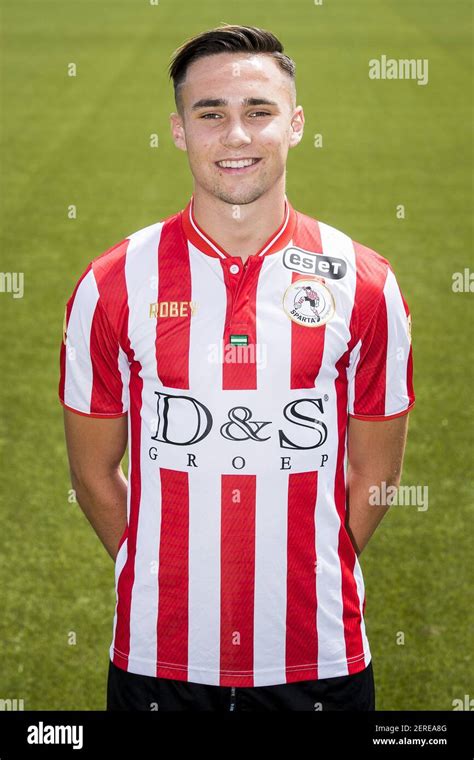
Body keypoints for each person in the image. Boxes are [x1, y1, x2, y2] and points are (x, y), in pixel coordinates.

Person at [58, 24, 415, 712]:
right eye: (210, 114)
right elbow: (93, 472)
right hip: (158, 658)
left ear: (297, 123)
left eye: (259, 111)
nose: (236, 136)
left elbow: (378, 475)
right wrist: (161, 571)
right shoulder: (112, 284)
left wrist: (306, 567)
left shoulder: (365, 284)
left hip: (318, 657)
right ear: (179, 130)